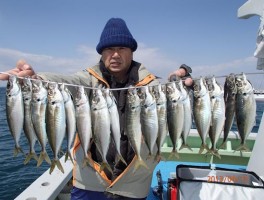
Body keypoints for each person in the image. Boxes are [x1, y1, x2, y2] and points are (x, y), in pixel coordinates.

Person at [0, 18, 192, 199]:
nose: (115, 54)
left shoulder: (149, 85)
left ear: (132, 52)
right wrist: (37, 78)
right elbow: (68, 81)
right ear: (101, 53)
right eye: (109, 49)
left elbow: (168, 94)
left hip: (134, 182)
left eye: (121, 48)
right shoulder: (88, 80)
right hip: (90, 178)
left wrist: (179, 82)